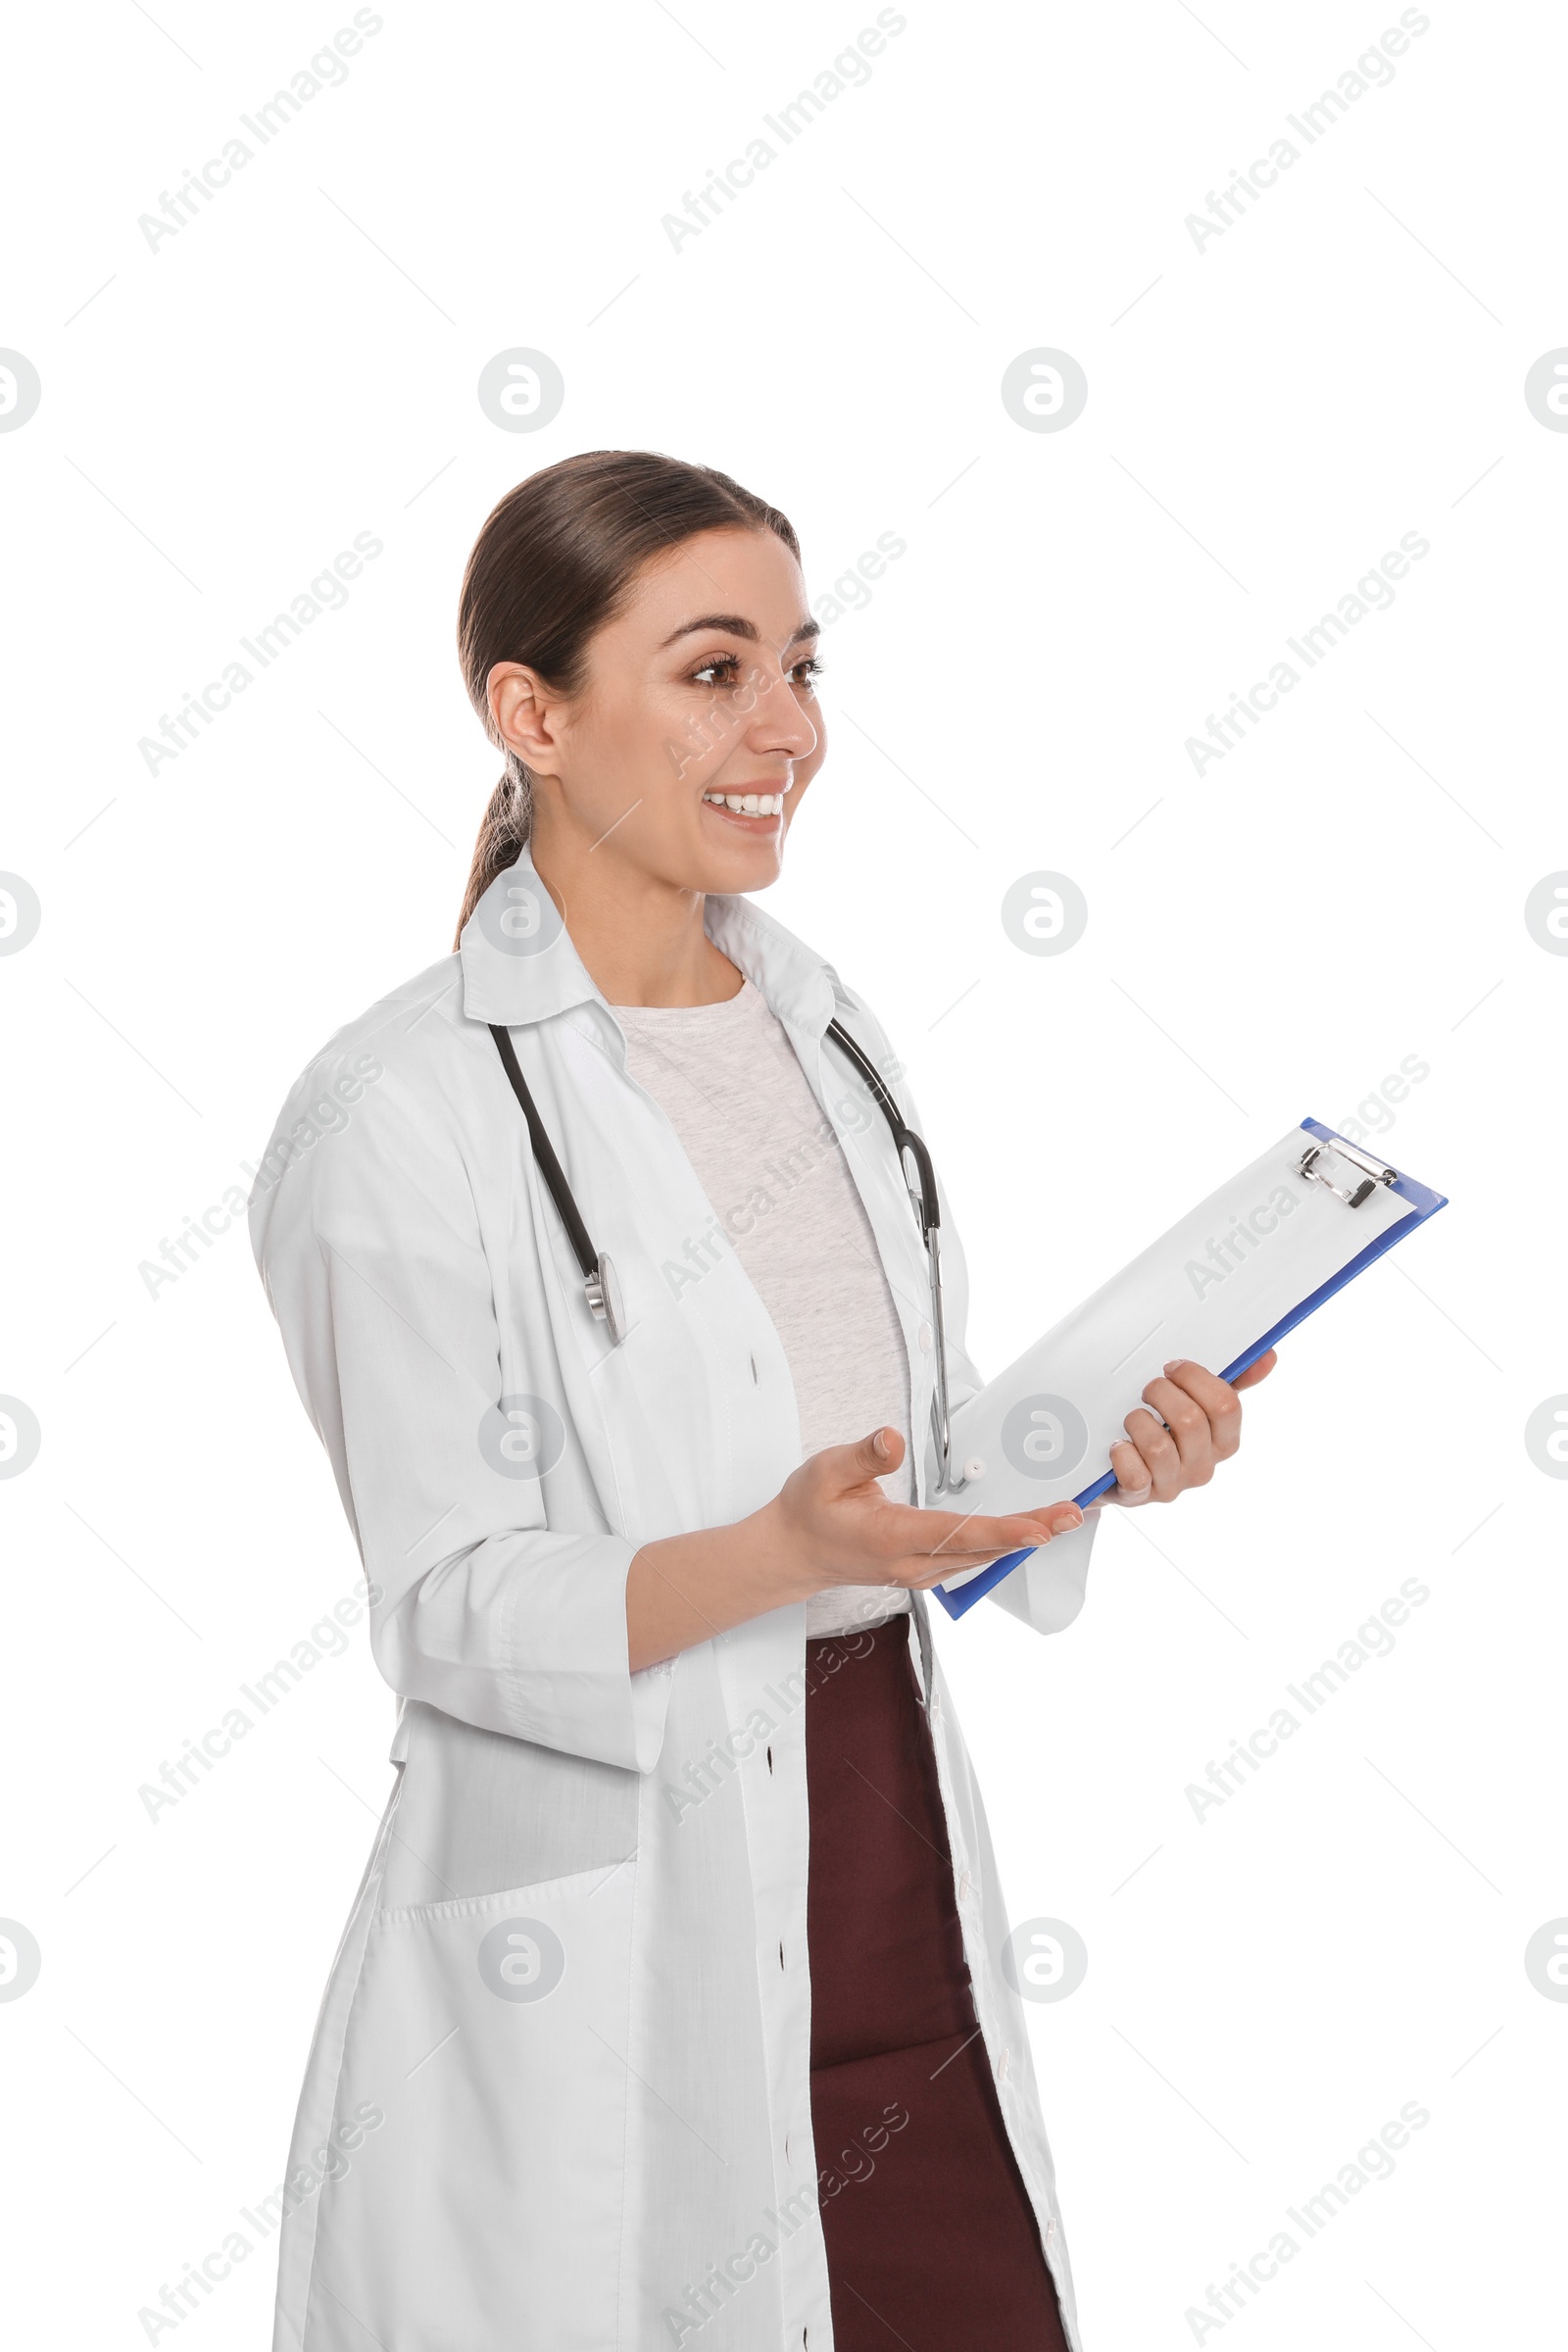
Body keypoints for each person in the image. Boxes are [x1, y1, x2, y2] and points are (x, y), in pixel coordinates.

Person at [249, 449, 1274, 2352]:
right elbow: (451, 1610)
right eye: (713, 670)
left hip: (873, 1825)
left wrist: (1084, 1459)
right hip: (606, 1902)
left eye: (801, 665)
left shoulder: (823, 1031)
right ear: (529, 712)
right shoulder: (398, 1111)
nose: (786, 728)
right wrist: (773, 1549)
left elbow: (897, 1460)